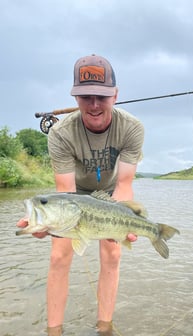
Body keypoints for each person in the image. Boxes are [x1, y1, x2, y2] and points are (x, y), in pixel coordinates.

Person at [17, 54, 144, 335]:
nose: (95, 105)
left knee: (112, 253)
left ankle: (104, 327)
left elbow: (124, 183)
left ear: (116, 94)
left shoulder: (132, 128)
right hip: (73, 195)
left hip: (110, 194)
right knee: (59, 256)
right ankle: (54, 330)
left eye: (102, 96)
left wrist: (119, 221)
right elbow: (65, 191)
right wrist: (46, 225)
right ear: (75, 97)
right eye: (86, 96)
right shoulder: (60, 133)